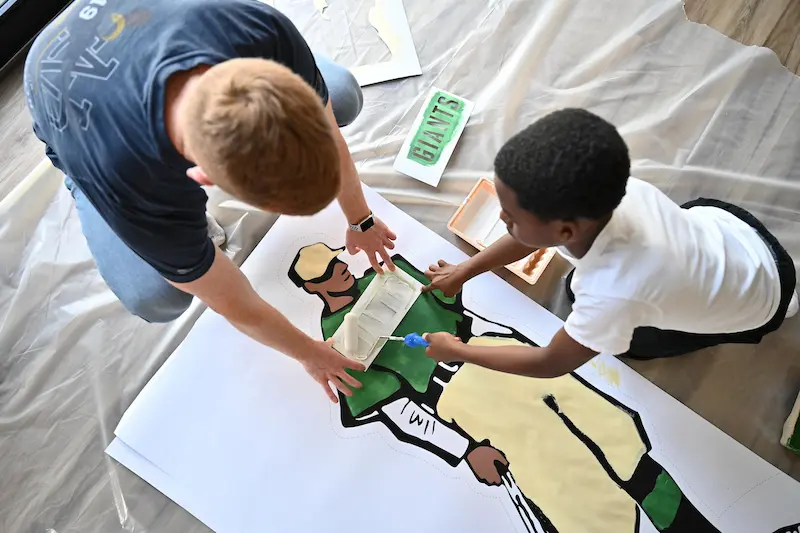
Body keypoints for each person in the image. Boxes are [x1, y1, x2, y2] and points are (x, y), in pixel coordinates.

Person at [23, 0, 399, 400]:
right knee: (157, 295)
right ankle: (80, 184)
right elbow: (231, 300)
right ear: (201, 179)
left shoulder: (261, 29)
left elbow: (326, 133)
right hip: (57, 83)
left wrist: (361, 220)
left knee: (340, 96)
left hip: (123, 15)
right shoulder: (130, 175)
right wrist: (309, 353)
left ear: (277, 78)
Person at [289, 242, 721, 533]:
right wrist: (465, 449)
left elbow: (456, 310)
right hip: (462, 396)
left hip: (497, 351)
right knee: (575, 494)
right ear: (312, 288)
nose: (342, 268)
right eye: (328, 271)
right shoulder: (330, 345)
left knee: (620, 440)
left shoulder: (389, 275)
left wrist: (459, 286)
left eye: (337, 259)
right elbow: (400, 410)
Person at [423, 108, 797, 377]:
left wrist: (461, 351)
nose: (503, 219)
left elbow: (550, 362)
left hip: (756, 308)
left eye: (511, 216)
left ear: (565, 232)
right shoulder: (617, 191)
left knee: (630, 342)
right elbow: (528, 238)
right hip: (741, 238)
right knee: (583, 288)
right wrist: (467, 269)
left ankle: (788, 305)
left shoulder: (610, 295)